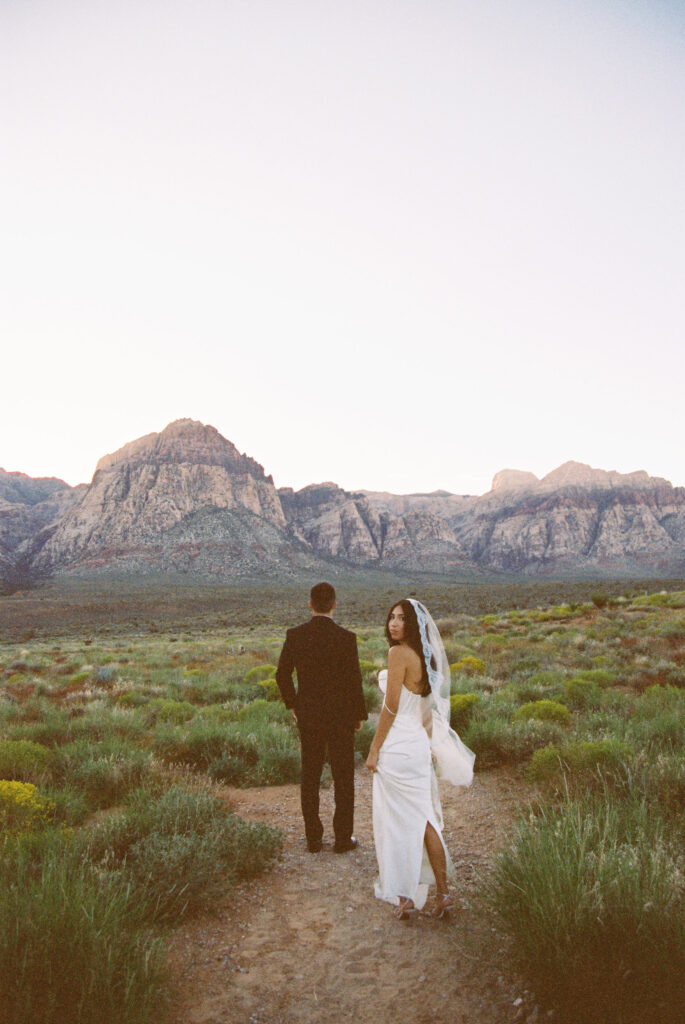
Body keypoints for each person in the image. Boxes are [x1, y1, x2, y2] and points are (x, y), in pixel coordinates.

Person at [365, 598, 475, 919]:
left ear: (413, 624)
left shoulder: (397, 654)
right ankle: (442, 894)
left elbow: (391, 707)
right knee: (425, 820)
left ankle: (405, 897)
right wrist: (428, 747)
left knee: (396, 822)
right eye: (391, 618)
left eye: (401, 619)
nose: (394, 624)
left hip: (397, 747)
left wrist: (374, 748)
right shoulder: (424, 661)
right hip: (415, 746)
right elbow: (426, 714)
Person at [276, 581, 367, 853]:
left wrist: (293, 704)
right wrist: (358, 714)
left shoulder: (295, 636)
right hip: (341, 717)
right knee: (343, 776)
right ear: (335, 605)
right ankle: (342, 838)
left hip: (309, 716)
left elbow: (282, 675)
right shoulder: (346, 638)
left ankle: (313, 838)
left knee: (310, 776)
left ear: (310, 604)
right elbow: (354, 680)